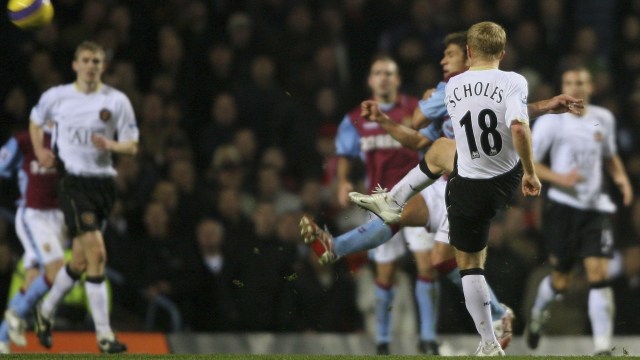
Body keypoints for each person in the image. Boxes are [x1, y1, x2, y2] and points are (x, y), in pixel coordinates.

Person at [349, 21, 543, 355]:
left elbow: (424, 123)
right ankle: (393, 200)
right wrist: (530, 173)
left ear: (468, 53)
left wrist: (422, 105)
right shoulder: (515, 80)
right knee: (440, 149)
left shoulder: (453, 87)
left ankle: (488, 342)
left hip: (468, 183)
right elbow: (519, 129)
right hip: (504, 177)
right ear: (503, 52)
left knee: (469, 267)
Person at [303, 56, 440, 355]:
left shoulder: (415, 110)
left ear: (398, 79)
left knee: (426, 265)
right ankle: (382, 340)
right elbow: (343, 153)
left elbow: (433, 137)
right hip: (380, 199)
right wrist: (342, 182)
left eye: (389, 73)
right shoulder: (356, 117)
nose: (383, 78)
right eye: (378, 73)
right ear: (370, 80)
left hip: (418, 197)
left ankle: (428, 337)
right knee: (386, 272)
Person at [28, 41, 139, 353]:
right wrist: (39, 149)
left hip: (103, 185)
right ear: (75, 65)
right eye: (86, 60)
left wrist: (112, 146)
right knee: (97, 255)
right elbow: (35, 120)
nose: (91, 66)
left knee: (78, 261)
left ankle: (45, 310)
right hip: (73, 182)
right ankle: (104, 335)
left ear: (103, 67)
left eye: (97, 61)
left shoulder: (116, 101)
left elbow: (132, 144)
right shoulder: (57, 97)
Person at [525, 66, 633, 355]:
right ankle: (537, 315)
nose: (576, 87)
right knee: (561, 281)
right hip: (562, 208)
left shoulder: (603, 119)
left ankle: (601, 348)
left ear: (591, 87)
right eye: (570, 82)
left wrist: (621, 178)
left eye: (581, 82)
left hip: (595, 209)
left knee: (599, 273)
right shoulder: (552, 122)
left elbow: (609, 155)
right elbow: (531, 163)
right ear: (563, 86)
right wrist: (560, 178)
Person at [0, 129, 66, 354]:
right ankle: (16, 314)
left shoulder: (68, 138)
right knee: (56, 270)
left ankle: (1, 339)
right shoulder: (24, 140)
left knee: (33, 278)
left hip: (57, 217)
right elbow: (2, 165)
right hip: (33, 214)